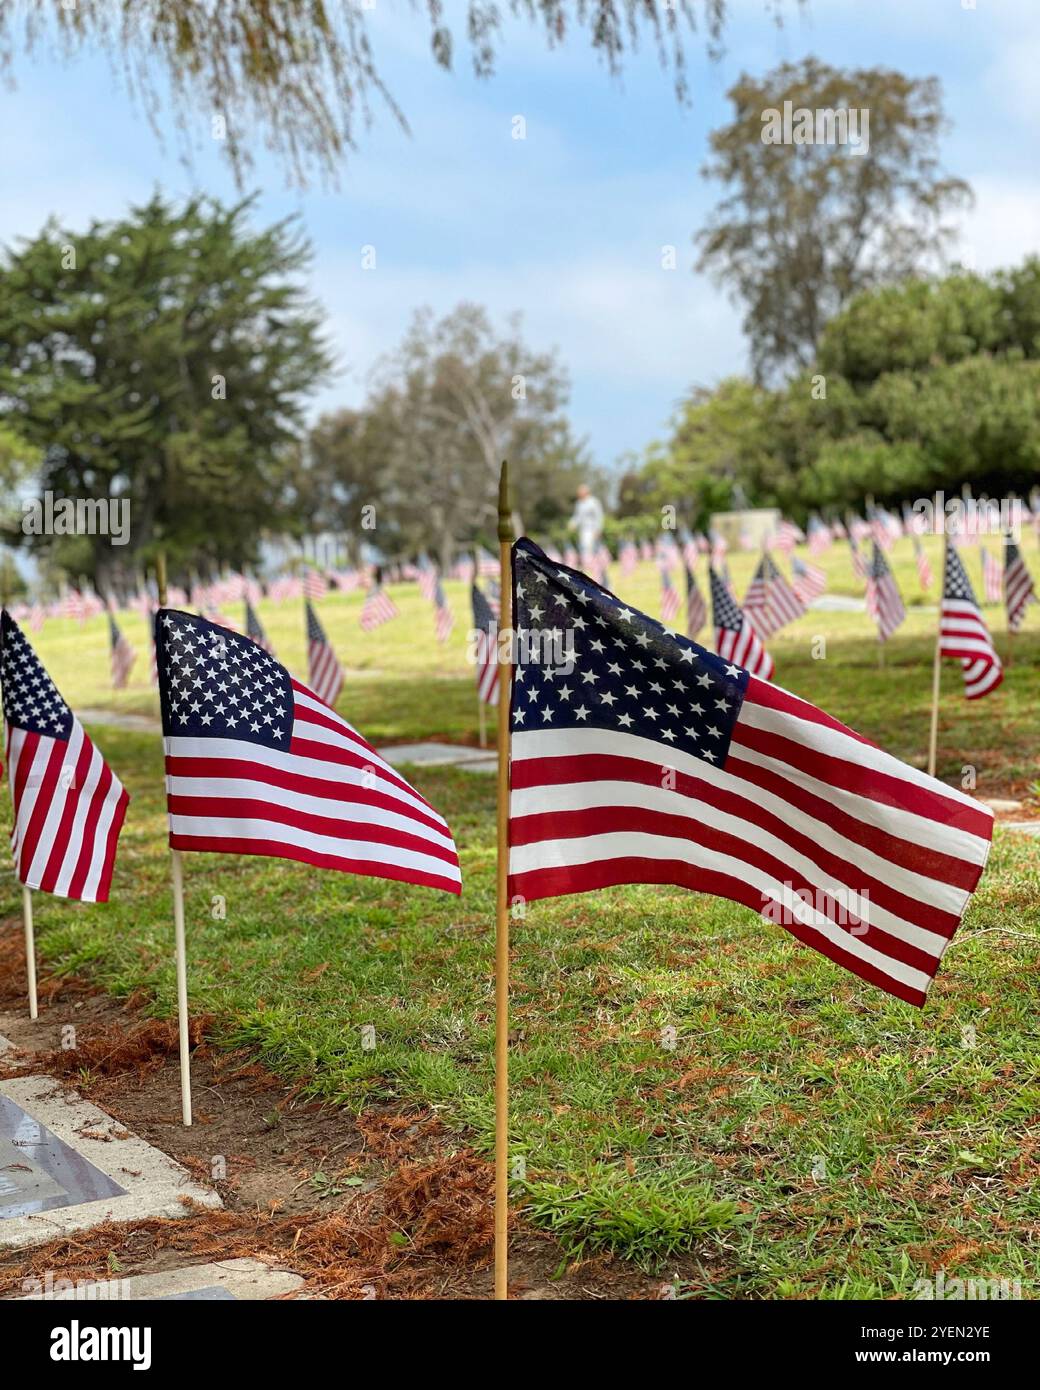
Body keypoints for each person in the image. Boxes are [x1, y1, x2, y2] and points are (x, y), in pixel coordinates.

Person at [569, 484, 604, 560]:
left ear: (586, 492)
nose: (579, 494)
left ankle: (595, 566)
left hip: (592, 530)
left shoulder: (594, 502)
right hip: (583, 530)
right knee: (584, 549)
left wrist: (598, 529)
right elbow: (577, 516)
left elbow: (599, 516)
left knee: (592, 549)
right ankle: (588, 566)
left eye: (580, 492)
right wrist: (572, 524)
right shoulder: (579, 503)